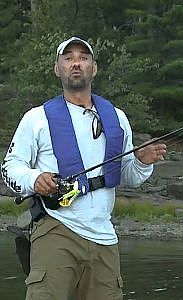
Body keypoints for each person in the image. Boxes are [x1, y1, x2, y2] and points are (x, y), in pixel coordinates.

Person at [1, 36, 167, 300]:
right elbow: (10, 168)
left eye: (83, 58)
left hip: (104, 238)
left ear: (94, 68)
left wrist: (142, 161)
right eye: (68, 58)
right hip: (55, 227)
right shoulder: (36, 118)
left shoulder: (118, 117)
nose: (75, 63)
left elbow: (127, 176)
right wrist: (35, 179)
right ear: (57, 69)